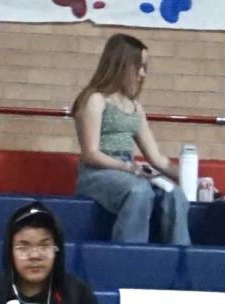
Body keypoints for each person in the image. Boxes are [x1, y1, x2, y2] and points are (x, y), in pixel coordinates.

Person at [72, 33, 188, 248]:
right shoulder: (95, 99)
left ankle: (181, 258)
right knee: (139, 191)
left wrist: (191, 178)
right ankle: (128, 259)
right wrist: (128, 167)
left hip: (128, 170)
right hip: (97, 173)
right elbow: (91, 153)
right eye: (139, 66)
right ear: (122, 65)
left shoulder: (135, 107)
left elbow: (157, 159)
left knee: (175, 194)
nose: (143, 74)